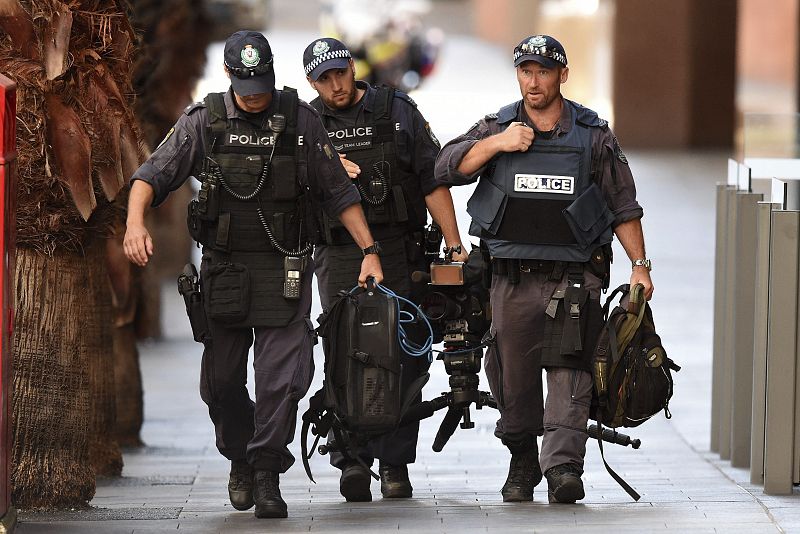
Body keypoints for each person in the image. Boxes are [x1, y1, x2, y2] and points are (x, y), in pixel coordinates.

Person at [123, 30, 383, 519]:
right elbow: (150, 175)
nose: (256, 95)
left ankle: (266, 472)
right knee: (221, 385)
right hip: (224, 272)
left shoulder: (300, 120)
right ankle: (240, 457)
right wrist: (135, 223)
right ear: (228, 75)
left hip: (285, 271)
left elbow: (338, 192)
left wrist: (370, 251)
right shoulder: (205, 121)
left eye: (262, 84)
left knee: (280, 382)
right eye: (246, 86)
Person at [434, 34, 653, 505]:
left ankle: (562, 468)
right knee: (512, 378)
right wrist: (498, 144)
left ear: (562, 75)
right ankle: (522, 459)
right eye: (526, 71)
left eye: (544, 72)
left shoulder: (593, 134)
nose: (534, 82)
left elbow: (623, 203)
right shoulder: (497, 126)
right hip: (511, 278)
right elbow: (447, 168)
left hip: (573, 278)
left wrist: (640, 265)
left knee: (570, 376)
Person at [302, 37, 467, 502]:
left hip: (398, 248)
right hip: (338, 253)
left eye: (340, 73)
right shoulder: (306, 123)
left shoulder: (397, 110)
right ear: (311, 83)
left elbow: (431, 178)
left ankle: (395, 463)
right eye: (323, 79)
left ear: (352, 68)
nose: (335, 85)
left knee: (406, 352)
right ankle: (352, 459)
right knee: (343, 350)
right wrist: (326, 165)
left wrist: (454, 243)